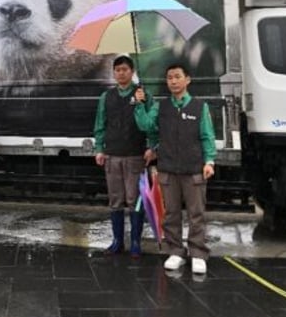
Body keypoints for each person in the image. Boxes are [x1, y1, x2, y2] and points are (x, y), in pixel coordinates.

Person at [134, 63, 216, 275]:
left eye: (177, 76)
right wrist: (140, 104)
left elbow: (207, 136)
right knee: (171, 213)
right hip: (168, 168)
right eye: (169, 77)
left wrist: (209, 161)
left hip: (194, 168)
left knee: (196, 213)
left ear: (187, 80)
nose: (173, 81)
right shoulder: (161, 107)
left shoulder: (200, 107)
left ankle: (198, 253)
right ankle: (175, 251)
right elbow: (147, 126)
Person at [93, 55, 153, 257]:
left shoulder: (143, 94)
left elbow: (151, 125)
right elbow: (100, 125)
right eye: (117, 70)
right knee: (115, 200)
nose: (121, 73)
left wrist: (152, 146)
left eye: (125, 69)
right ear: (113, 73)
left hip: (135, 155)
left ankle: (135, 242)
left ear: (132, 71)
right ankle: (117, 241)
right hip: (112, 156)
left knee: (134, 200)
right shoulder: (106, 97)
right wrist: (99, 148)